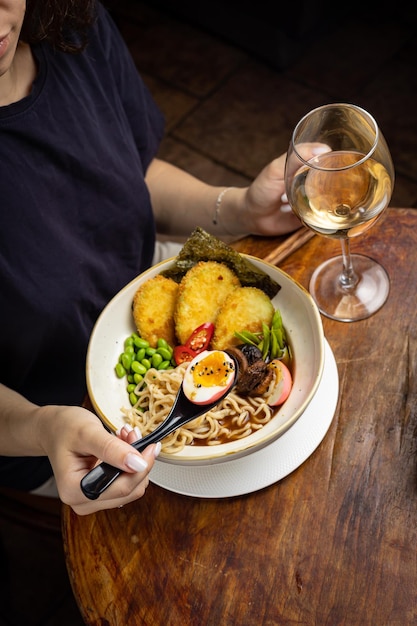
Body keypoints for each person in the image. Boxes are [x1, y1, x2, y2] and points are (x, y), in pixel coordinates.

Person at [0, 0, 302, 515]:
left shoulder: (69, 22)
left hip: (151, 280)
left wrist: (240, 209)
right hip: (44, 427)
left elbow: (130, 176)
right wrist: (42, 425)